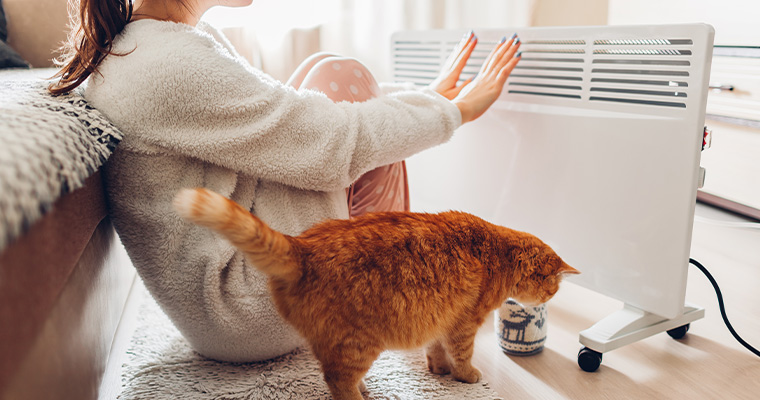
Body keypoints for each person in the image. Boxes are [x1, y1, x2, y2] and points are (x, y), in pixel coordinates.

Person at [49, 0, 521, 362]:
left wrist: (427, 102)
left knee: (325, 83)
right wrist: (452, 112)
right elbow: (335, 145)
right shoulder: (166, 62)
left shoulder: (157, 41)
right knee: (342, 78)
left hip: (228, 296)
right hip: (249, 308)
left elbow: (292, 122)